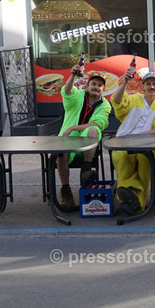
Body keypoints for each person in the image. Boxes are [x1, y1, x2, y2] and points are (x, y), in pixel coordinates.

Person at [111, 70, 155, 216]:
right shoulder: (134, 99)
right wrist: (125, 82)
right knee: (122, 157)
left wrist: (137, 136)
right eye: (148, 84)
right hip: (124, 141)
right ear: (143, 86)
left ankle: (131, 197)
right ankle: (134, 200)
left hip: (150, 143)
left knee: (144, 158)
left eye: (154, 84)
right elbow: (117, 102)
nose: (151, 87)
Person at [56, 65, 111, 210]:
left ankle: (86, 170)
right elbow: (67, 91)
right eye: (94, 84)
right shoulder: (78, 95)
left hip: (88, 147)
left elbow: (98, 124)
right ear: (87, 86)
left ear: (103, 89)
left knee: (93, 130)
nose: (96, 87)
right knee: (61, 152)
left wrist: (74, 127)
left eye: (100, 85)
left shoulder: (105, 105)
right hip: (68, 140)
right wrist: (73, 75)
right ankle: (66, 191)